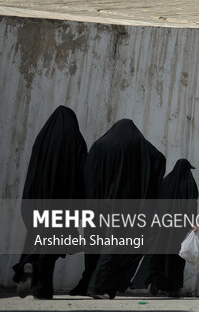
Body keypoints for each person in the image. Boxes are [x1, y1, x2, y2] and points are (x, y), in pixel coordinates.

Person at [70, 119, 165, 299]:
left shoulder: (100, 145)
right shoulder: (139, 145)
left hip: (98, 205)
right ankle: (100, 285)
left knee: (96, 243)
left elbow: (88, 173)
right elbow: (158, 158)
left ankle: (93, 282)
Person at [12, 106, 87, 299]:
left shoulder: (42, 138)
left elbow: (32, 171)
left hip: (38, 199)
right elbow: (80, 177)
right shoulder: (76, 141)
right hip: (62, 203)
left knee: (36, 235)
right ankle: (42, 289)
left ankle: (27, 263)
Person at [146, 159, 199, 298]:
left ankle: (157, 282)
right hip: (180, 229)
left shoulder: (166, 182)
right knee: (177, 258)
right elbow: (192, 206)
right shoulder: (190, 184)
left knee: (161, 256)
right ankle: (173, 288)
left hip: (162, 227)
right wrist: (193, 223)